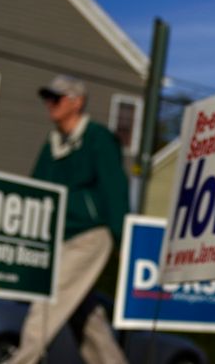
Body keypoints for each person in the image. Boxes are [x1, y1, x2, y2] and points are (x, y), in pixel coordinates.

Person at [10, 74, 129, 364]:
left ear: (77, 102)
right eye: (48, 98)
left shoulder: (97, 138)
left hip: (90, 235)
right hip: (60, 240)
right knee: (86, 319)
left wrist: (121, 238)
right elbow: (37, 191)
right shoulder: (52, 144)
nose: (50, 104)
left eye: (57, 98)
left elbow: (115, 188)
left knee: (48, 302)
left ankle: (22, 360)